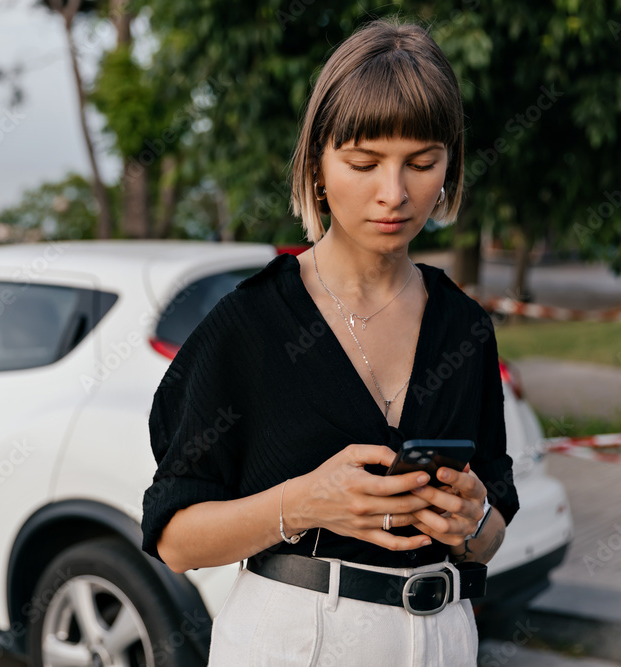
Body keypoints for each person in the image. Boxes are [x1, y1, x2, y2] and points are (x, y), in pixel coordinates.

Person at [141, 17, 519, 666]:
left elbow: (490, 531)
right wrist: (304, 501)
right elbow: (174, 538)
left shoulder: (465, 327)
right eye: (364, 162)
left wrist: (475, 523)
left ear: (450, 163)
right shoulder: (250, 326)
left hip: (445, 639)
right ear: (317, 163)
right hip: (296, 642)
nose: (394, 193)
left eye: (422, 162)